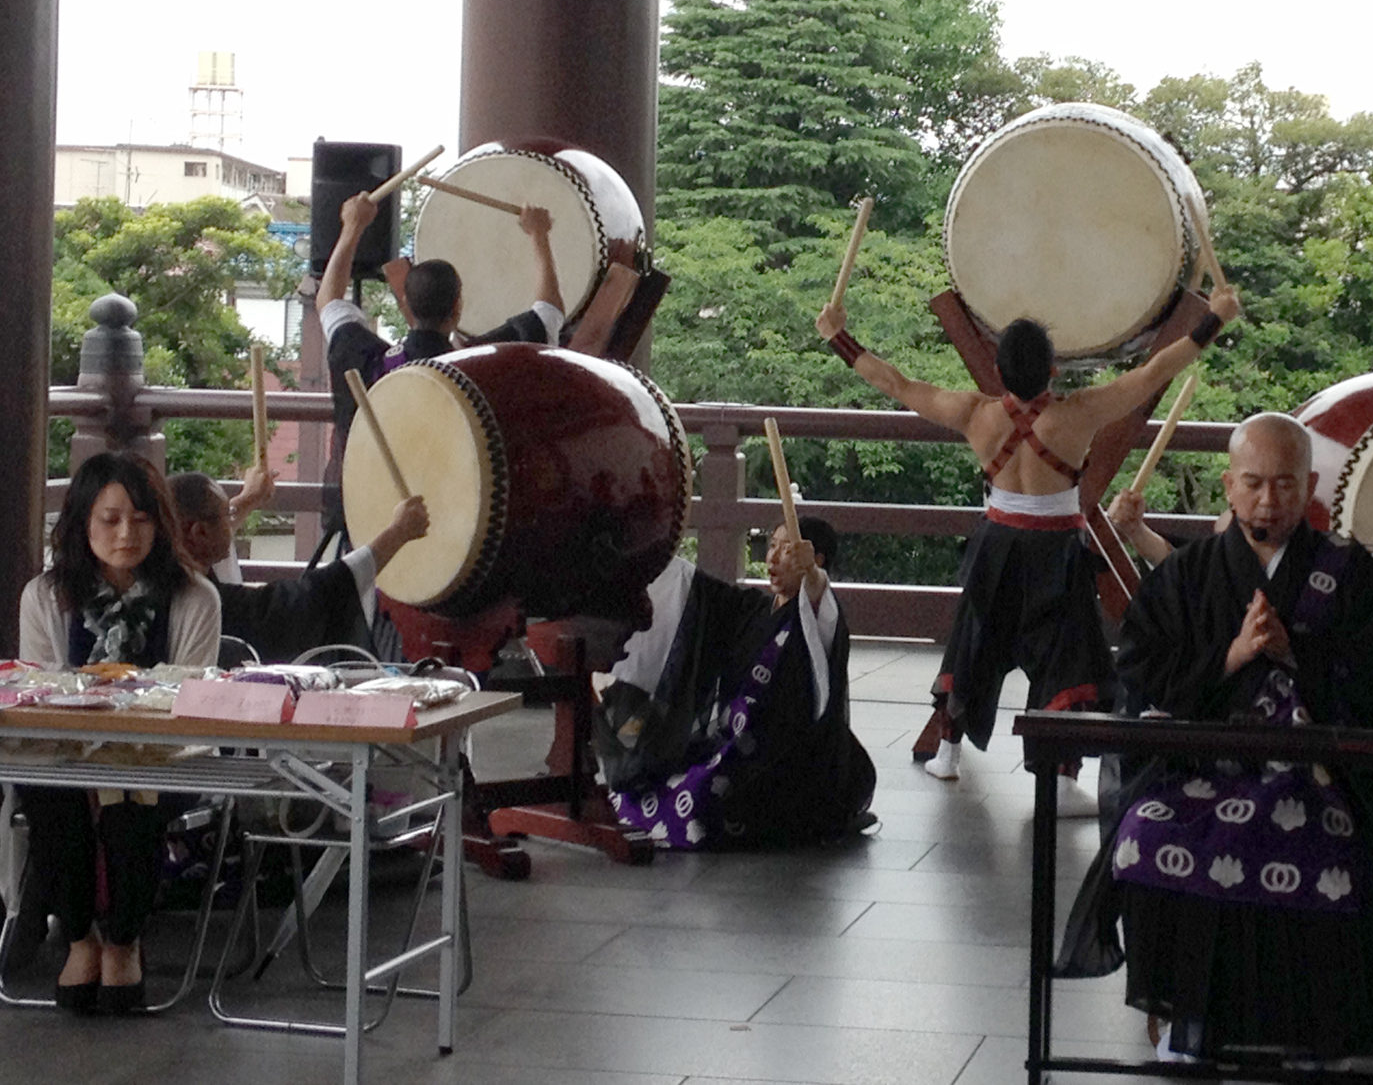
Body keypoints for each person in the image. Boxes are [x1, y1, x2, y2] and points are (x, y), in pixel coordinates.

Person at [1061, 413, 1373, 1064]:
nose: (1268, 501)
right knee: (1152, 832)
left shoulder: (1354, 577)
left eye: (1284, 485)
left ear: (1308, 485)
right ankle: (1184, 1020)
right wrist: (1228, 658)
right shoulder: (1189, 574)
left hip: (1318, 774)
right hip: (1205, 766)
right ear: (1229, 485)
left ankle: (1314, 1033)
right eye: (1253, 483)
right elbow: (1140, 669)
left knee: (1330, 848)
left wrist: (1295, 656)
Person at [816, 287, 1242, 813]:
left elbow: (896, 383)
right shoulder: (1080, 414)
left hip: (996, 545)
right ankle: (1059, 783)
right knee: (1065, 657)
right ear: (1054, 370)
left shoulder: (975, 413)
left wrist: (839, 336)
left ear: (998, 367)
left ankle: (947, 754)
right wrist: (1214, 320)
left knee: (976, 640)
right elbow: (1155, 371)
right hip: (1055, 550)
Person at [14, 451, 221, 1013]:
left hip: (163, 754)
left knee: (134, 799)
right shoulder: (44, 596)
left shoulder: (194, 597)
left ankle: (125, 942)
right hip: (68, 752)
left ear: (161, 523)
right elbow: (38, 695)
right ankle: (81, 939)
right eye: (110, 519)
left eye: (142, 518)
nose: (127, 533)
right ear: (82, 523)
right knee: (48, 791)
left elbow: (190, 698)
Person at [594, 518, 876, 849]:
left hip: (781, 759)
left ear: (815, 560)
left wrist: (813, 578)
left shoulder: (814, 616)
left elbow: (818, 598)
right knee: (649, 777)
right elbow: (695, 591)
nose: (771, 558)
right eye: (772, 545)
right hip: (729, 742)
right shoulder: (752, 609)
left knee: (703, 802)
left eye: (787, 551)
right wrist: (654, 561)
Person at [314, 190, 564, 542]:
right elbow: (549, 313)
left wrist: (353, 227)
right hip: (458, 533)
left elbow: (328, 300)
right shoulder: (481, 368)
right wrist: (540, 236)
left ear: (407, 303)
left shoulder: (367, 363)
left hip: (369, 527)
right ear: (458, 305)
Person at [168, 465, 429, 664]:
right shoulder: (199, 597)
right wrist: (397, 533)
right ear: (199, 533)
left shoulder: (167, 568)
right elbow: (310, 598)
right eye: (227, 514)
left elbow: (202, 538)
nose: (232, 518)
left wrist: (247, 500)